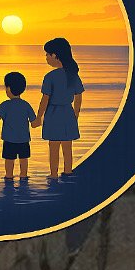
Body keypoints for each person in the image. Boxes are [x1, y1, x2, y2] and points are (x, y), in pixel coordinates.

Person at [37, 37, 84, 177]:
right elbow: (78, 97)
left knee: (54, 146)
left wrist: (39, 117)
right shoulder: (72, 75)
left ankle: (53, 174)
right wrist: (75, 115)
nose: (46, 57)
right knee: (67, 146)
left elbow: (44, 100)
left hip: (53, 113)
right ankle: (68, 171)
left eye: (47, 54)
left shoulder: (50, 77)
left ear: (55, 56)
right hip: (68, 113)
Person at [0, 70, 36, 185]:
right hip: (23, 139)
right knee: (24, 160)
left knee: (9, 160)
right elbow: (34, 121)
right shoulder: (26, 105)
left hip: (9, 140)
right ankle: (23, 177)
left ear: (8, 89)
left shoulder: (5, 105)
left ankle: (9, 178)